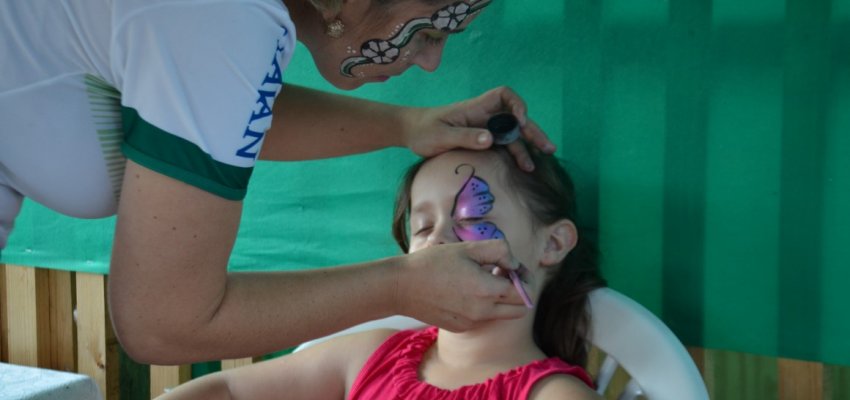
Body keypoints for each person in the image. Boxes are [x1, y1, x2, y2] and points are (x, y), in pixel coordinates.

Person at [0, 0, 558, 364]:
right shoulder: (228, 18)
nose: (431, 61)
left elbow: (213, 112)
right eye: (430, 30)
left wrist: (407, 126)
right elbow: (164, 324)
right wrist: (402, 286)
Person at [157, 146, 607, 399]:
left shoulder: (553, 396)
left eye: (469, 221)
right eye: (423, 227)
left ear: (553, 243)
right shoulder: (369, 356)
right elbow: (227, 392)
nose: (438, 243)